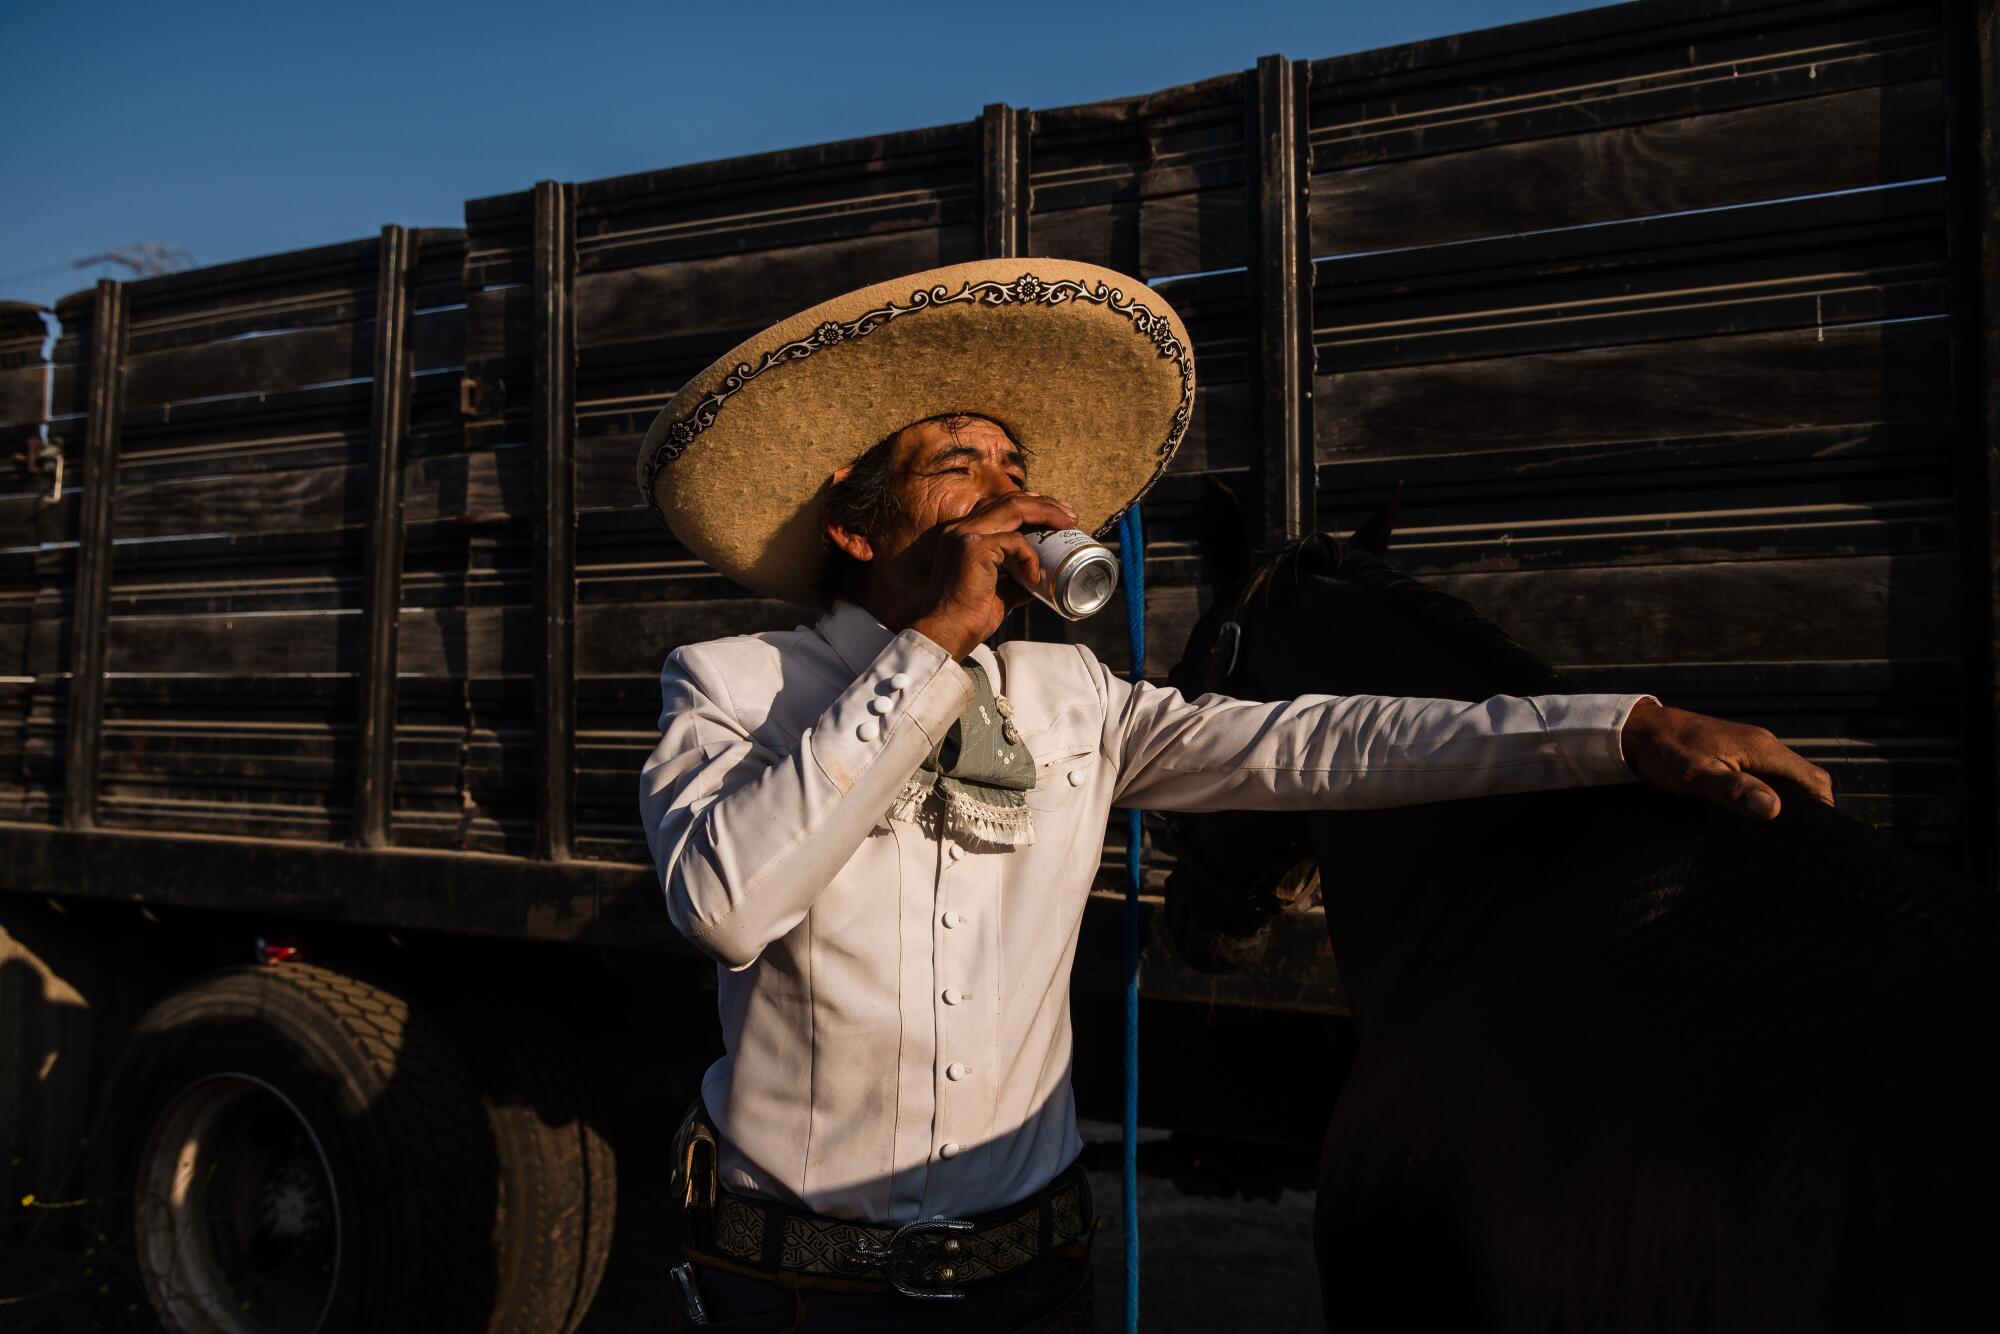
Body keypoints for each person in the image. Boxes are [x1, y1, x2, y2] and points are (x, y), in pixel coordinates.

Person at [635, 260, 1834, 1332]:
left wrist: (1621, 730)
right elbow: (724, 905)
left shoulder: (1073, 698)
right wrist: (935, 636)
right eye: (959, 464)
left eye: (1017, 467)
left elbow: (1323, 743)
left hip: (1031, 1279)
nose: (1010, 491)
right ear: (855, 521)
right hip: (796, 1293)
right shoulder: (736, 685)